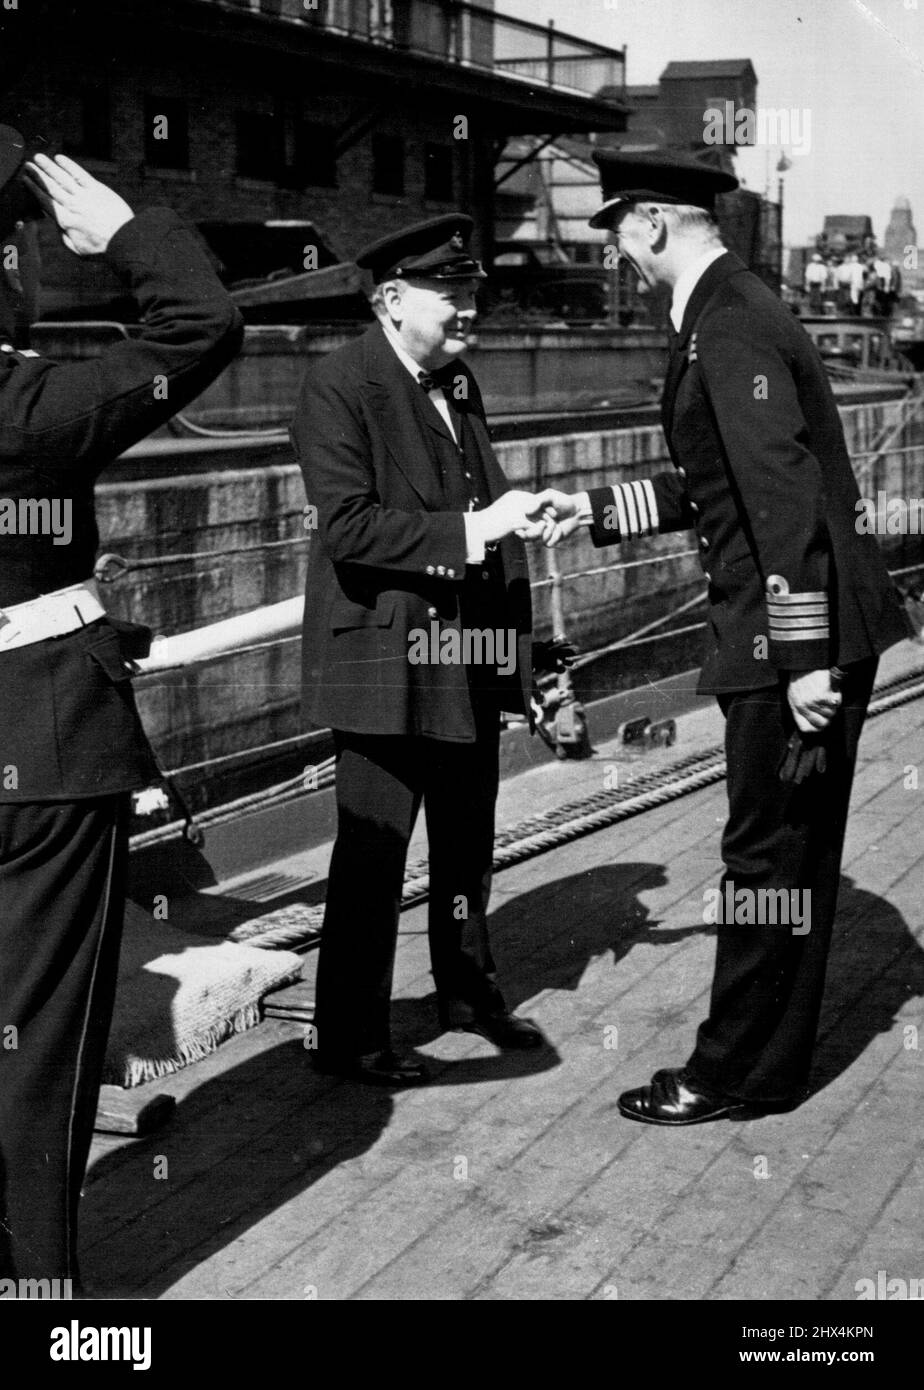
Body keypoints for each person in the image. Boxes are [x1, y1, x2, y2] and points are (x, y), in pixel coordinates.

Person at [534, 150, 910, 1125]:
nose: (617, 251)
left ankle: (731, 1071)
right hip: (803, 625)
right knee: (786, 858)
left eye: (617, 229)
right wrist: (595, 507)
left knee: (763, 859)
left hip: (786, 639)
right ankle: (767, 1063)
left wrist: (801, 661)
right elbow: (723, 481)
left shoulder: (728, 320)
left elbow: (782, 493)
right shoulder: (730, 307)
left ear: (653, 224)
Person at [0, 130, 243, 1286]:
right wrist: (131, 234)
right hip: (46, 753)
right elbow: (201, 327)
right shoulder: (34, 404)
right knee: (39, 1046)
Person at [291, 215, 547, 1087]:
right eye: (453, 292)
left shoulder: (458, 378)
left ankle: (469, 994)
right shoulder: (338, 385)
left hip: (466, 652)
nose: (470, 306)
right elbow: (352, 527)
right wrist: (475, 531)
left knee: (468, 840)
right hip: (383, 659)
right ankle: (350, 1034)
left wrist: (515, 533)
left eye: (474, 289)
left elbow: (480, 493)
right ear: (393, 299)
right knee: (373, 852)